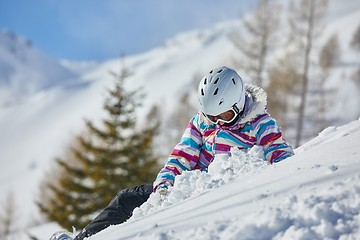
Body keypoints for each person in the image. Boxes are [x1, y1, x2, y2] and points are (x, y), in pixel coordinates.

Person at [50, 66, 294, 240]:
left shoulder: (261, 125)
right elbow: (181, 156)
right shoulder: (201, 123)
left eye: (225, 116)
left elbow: (284, 160)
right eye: (212, 116)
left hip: (222, 196)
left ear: (239, 103)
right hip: (184, 190)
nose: (218, 122)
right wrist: (164, 187)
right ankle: (83, 238)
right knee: (126, 199)